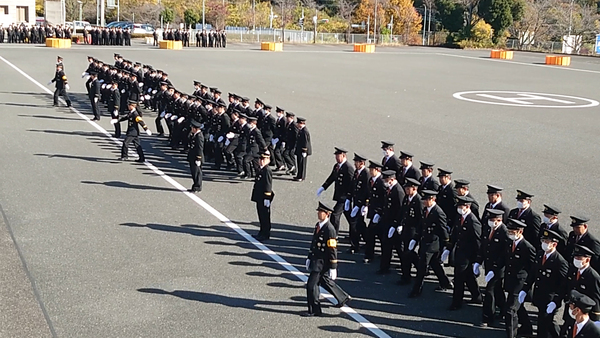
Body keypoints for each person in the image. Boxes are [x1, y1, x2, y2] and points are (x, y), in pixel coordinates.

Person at [303, 202, 351, 317]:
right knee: (324, 281)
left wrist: (333, 267)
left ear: (327, 214)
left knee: (311, 285)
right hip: (315, 260)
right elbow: (314, 243)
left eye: (321, 212)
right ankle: (342, 297)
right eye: (319, 212)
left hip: (321, 262)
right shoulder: (318, 225)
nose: (319, 214)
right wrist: (309, 257)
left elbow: (332, 249)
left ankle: (315, 310)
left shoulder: (330, 229)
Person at [520, 229, 568, 338]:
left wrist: (556, 301)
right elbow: (533, 273)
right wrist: (524, 289)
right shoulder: (541, 254)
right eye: (543, 240)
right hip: (540, 296)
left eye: (547, 242)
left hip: (550, 299)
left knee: (543, 326)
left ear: (554, 244)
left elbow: (563, 284)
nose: (544, 243)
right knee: (548, 323)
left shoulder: (560, 262)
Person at [442, 195, 482, 311]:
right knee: (468, 276)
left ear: (467, 207)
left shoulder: (473, 221)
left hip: (468, 255)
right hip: (460, 252)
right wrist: (448, 248)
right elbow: (455, 234)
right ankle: (477, 296)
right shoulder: (460, 217)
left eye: (461, 206)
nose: (459, 208)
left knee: (459, 278)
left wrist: (478, 260)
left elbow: (478, 241)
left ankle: (456, 302)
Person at [409, 190, 452, 297]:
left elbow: (443, 230)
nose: (424, 202)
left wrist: (447, 245)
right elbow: (421, 225)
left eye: (426, 200)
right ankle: (445, 282)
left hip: (433, 244)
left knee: (422, 266)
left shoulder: (438, 212)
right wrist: (415, 238)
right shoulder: (426, 210)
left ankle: (416, 290)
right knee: (435, 264)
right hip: (425, 241)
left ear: (432, 199)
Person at [474, 208, 509, 327]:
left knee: (489, 291)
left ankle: (487, 317)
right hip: (489, 266)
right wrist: (478, 261)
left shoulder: (504, 232)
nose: (490, 222)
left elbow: (504, 254)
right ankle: (504, 310)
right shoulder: (489, 229)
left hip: (498, 269)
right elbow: (483, 246)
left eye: (493, 220)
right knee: (497, 290)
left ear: (499, 220)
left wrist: (494, 269)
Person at [503, 218, 536, 338]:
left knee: (510, 310)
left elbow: (533, 268)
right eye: (509, 231)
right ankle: (527, 328)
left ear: (520, 232)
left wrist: (528, 285)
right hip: (510, 280)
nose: (510, 233)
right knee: (519, 307)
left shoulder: (527, 248)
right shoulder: (509, 243)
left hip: (520, 282)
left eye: (512, 231)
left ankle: (511, 335)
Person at [316, 147, 355, 237]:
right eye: (336, 156)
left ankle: (334, 235)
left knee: (335, 214)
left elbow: (352, 184)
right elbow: (332, 177)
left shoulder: (348, 168)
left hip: (344, 197)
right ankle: (356, 233)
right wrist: (323, 187)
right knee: (350, 217)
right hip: (340, 195)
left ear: (344, 156)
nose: (336, 158)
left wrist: (349, 198)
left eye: (338, 156)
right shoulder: (337, 166)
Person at [377, 170, 405, 275]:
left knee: (399, 249)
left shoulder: (398, 191)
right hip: (387, 222)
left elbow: (401, 210)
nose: (385, 181)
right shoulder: (389, 189)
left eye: (386, 179)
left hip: (394, 224)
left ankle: (406, 270)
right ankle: (384, 268)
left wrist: (398, 224)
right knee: (386, 246)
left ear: (392, 179)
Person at [363, 160, 385, 264]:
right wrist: (366, 205)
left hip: (380, 214)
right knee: (376, 234)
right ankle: (372, 254)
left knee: (373, 233)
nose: (370, 172)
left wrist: (379, 213)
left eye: (372, 170)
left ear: (377, 170)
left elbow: (384, 199)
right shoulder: (371, 180)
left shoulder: (381, 182)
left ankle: (371, 255)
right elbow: (369, 195)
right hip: (373, 212)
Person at [347, 153, 369, 254]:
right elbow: (353, 186)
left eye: (356, 162)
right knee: (360, 224)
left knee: (354, 223)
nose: (355, 164)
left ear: (362, 163)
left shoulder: (366, 174)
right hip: (356, 201)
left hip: (361, 204)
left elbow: (367, 190)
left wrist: (365, 204)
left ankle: (355, 246)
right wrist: (349, 198)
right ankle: (367, 241)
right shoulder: (357, 172)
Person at [251, 152, 274, 241]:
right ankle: (261, 232)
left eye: (263, 160)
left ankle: (265, 233)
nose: (261, 161)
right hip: (259, 197)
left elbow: (268, 185)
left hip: (264, 197)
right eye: (260, 159)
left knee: (265, 216)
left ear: (268, 160)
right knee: (261, 215)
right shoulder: (261, 169)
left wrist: (267, 198)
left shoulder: (267, 170)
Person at [187, 120, 204, 193]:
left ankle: (197, 187)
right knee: (194, 172)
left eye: (192, 128)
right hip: (192, 156)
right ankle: (195, 185)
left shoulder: (199, 136)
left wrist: (199, 158)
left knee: (197, 173)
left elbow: (200, 148)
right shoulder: (194, 135)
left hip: (196, 157)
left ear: (195, 128)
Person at [293, 117, 311, 182]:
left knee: (302, 164)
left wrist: (304, 150)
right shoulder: (301, 130)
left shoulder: (305, 131)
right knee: (299, 163)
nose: (297, 125)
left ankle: (302, 177)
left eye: (298, 123)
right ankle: (298, 175)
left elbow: (306, 142)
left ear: (301, 123)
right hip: (299, 150)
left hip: (303, 151)